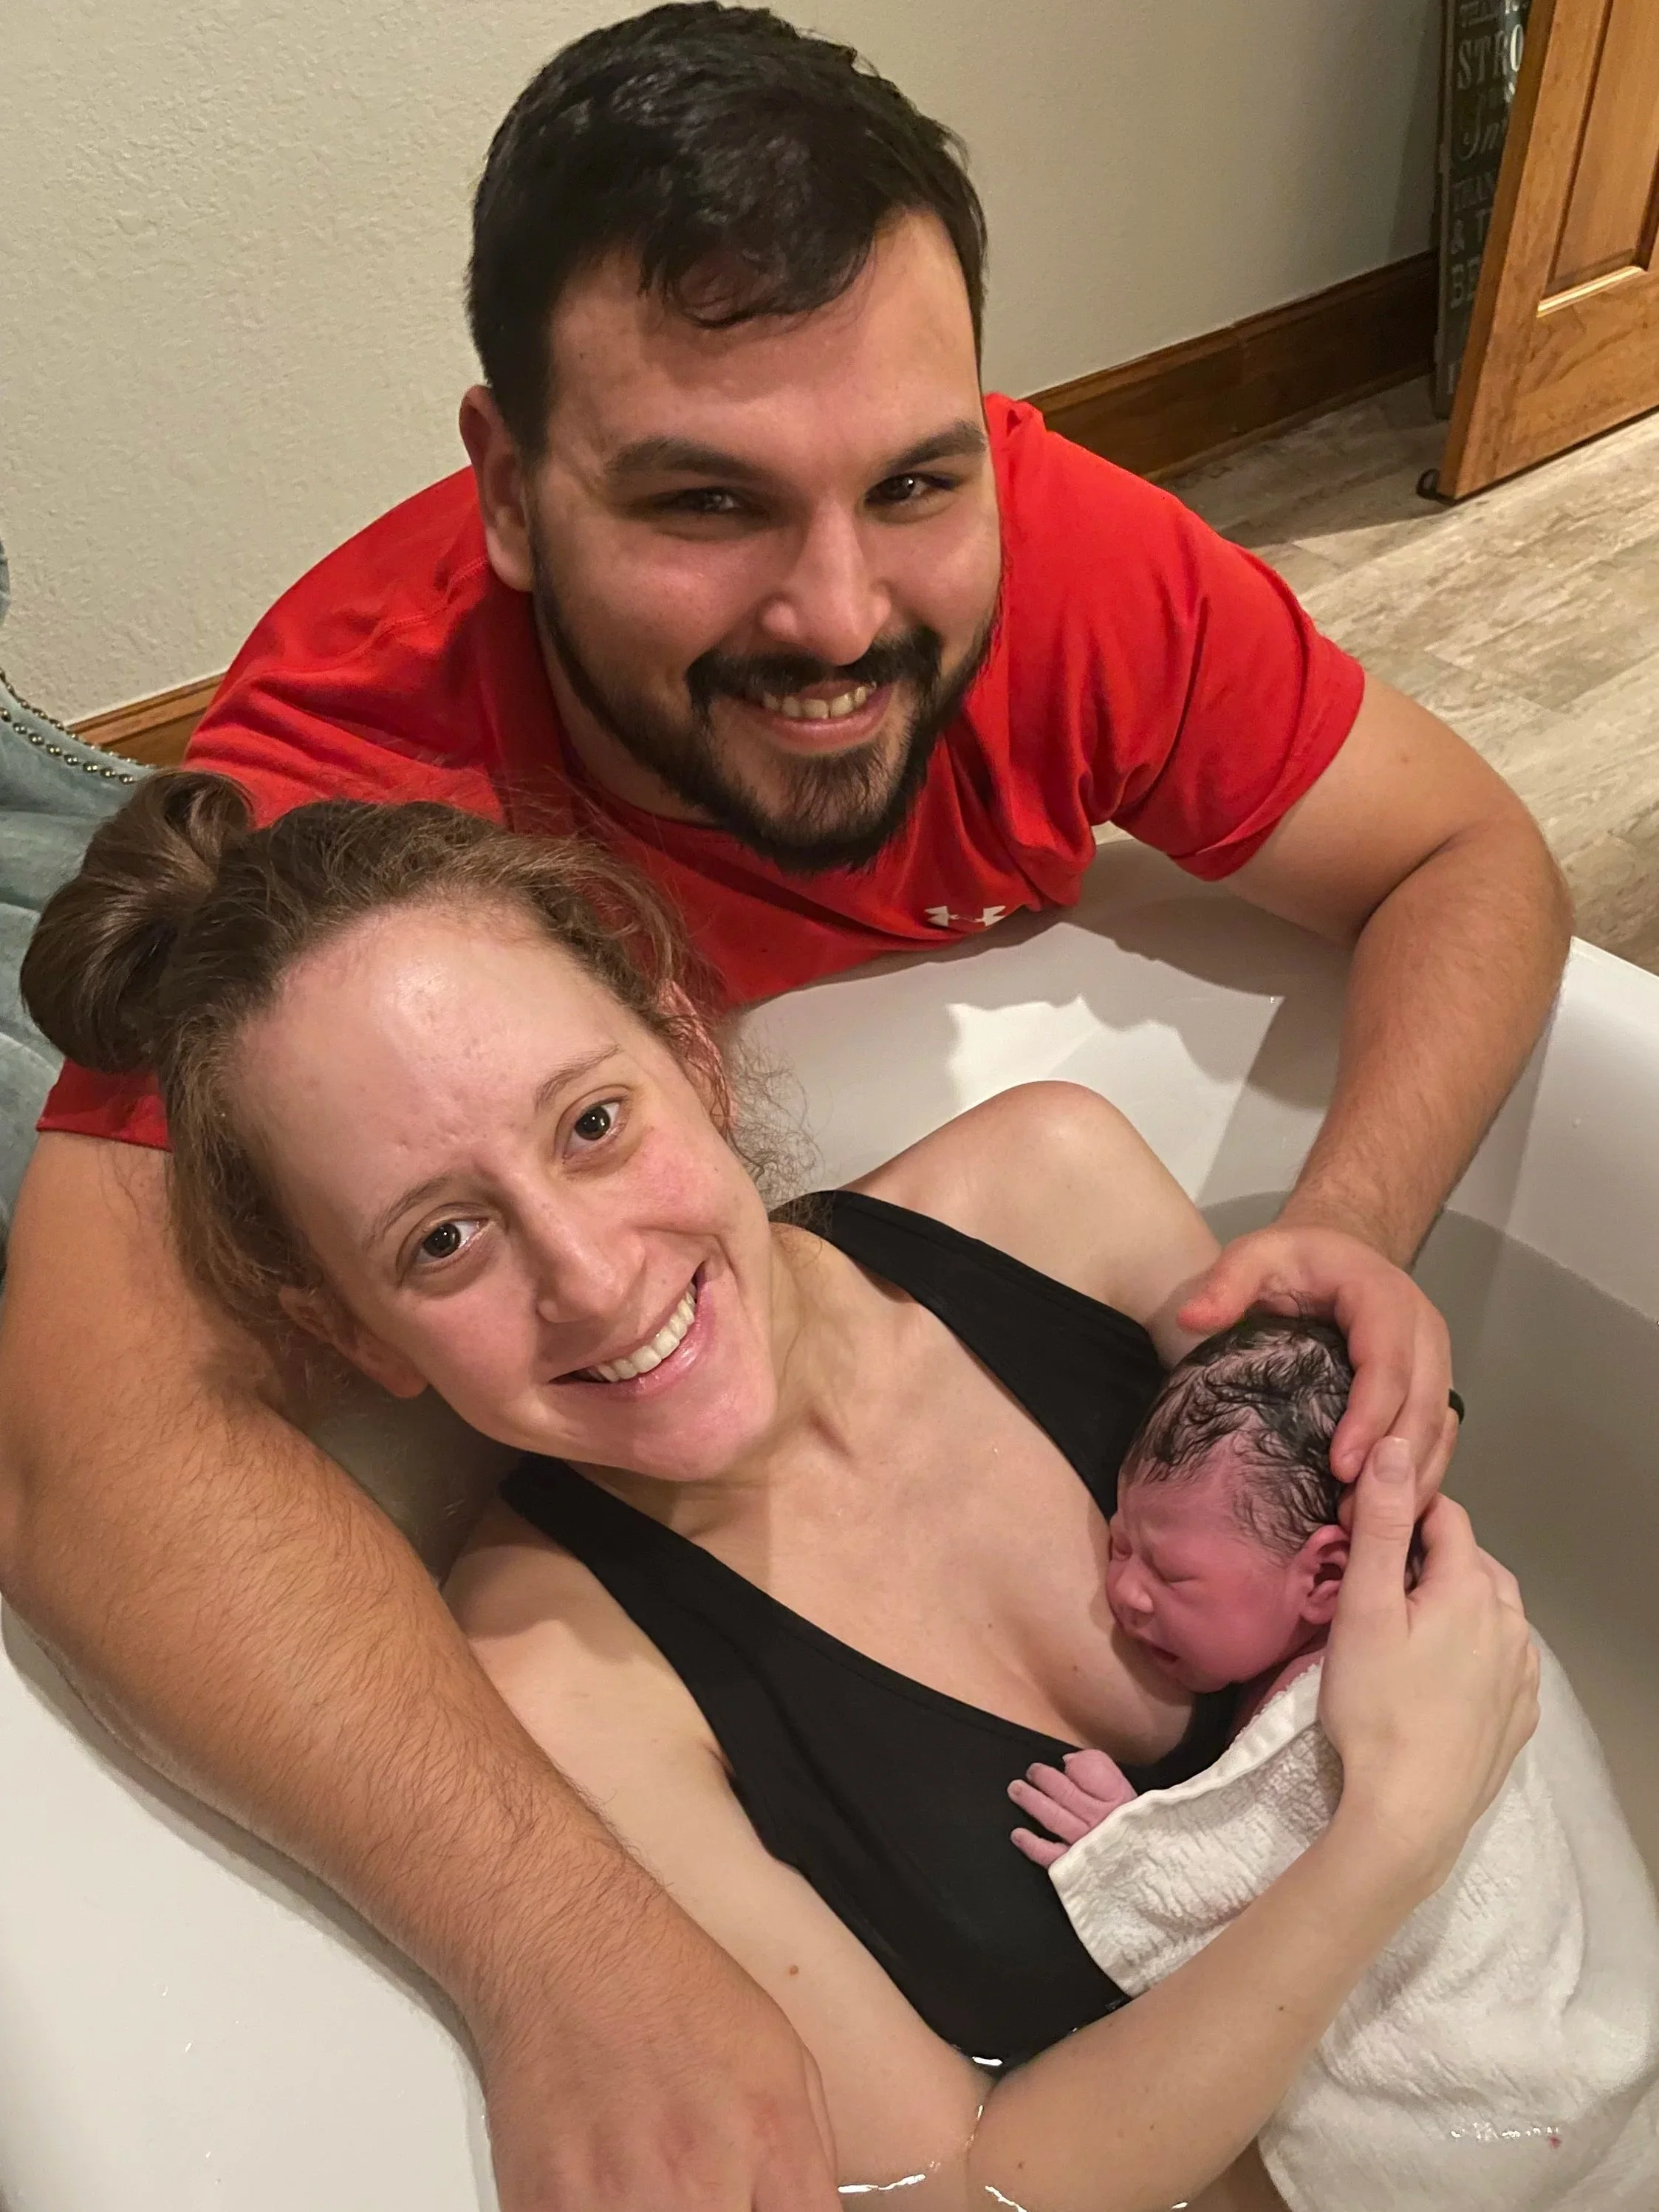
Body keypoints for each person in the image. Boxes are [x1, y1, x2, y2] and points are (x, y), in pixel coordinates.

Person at [0, 8, 1569, 2205]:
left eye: (915, 480)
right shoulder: (342, 839)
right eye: (702, 498)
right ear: (508, 488)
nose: (840, 608)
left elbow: (1469, 856)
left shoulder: (1068, 589)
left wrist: (1351, 1220)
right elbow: (85, 1456)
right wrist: (565, 1945)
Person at [19, 775, 1540, 2209]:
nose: (593, 1278)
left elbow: (1387, 1523)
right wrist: (1387, 1830)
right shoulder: (558, 1667)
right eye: (443, 1241)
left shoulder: (1051, 1195)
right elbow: (958, 2187)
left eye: (592, 1124)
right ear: (355, 1334)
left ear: (688, 1047)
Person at [1011, 1316, 1659, 2210]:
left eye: (1167, 1570)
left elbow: (1246, 1905)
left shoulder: (1332, 1701)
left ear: (1325, 1576)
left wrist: (1131, 1847)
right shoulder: (1429, 1601)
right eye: (1120, 1540)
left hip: (1498, 2106)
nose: (1121, 1588)